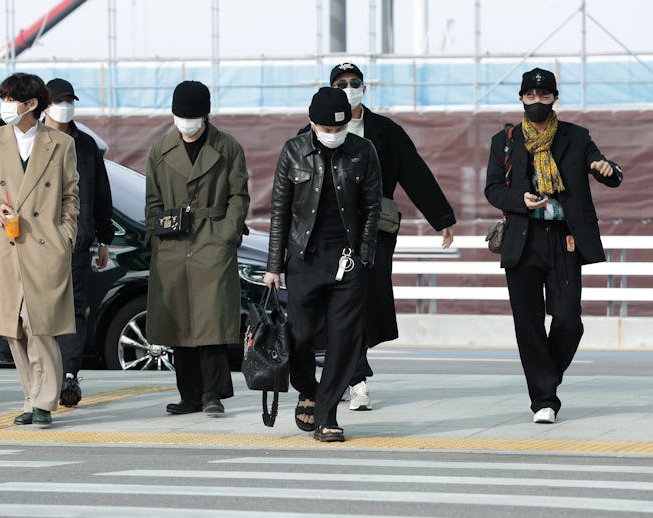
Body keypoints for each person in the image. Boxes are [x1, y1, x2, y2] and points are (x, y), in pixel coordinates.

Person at [301, 62, 456, 412]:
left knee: (363, 304)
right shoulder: (310, 132)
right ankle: (352, 378)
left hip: (373, 232)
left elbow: (415, 174)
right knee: (333, 306)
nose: (349, 87)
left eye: (355, 82)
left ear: (364, 88)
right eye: (341, 82)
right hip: (326, 235)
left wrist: (441, 218)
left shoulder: (385, 131)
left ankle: (350, 376)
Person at [485, 68, 622, 424]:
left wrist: (606, 168)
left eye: (544, 96)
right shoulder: (505, 140)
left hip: (565, 239)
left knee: (568, 320)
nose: (537, 102)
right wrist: (520, 199)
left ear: (555, 98)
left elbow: (609, 172)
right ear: (520, 99)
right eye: (530, 97)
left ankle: (546, 377)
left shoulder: (577, 137)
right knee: (527, 323)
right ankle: (544, 399)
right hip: (523, 239)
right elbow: (493, 189)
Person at [264, 87, 382, 442]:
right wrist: (273, 266)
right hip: (304, 259)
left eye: (340, 128)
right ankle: (309, 390)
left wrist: (363, 255)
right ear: (312, 123)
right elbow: (279, 212)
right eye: (326, 129)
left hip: (348, 262)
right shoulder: (293, 151)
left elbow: (373, 207)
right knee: (299, 337)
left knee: (345, 341)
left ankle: (327, 414)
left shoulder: (364, 151)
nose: (333, 135)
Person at [0, 72, 79, 426]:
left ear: (31, 104)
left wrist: (66, 236)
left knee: (40, 325)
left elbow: (70, 196)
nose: (5, 106)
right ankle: (31, 396)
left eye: (10, 99)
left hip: (45, 244)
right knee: (13, 327)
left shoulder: (60, 144)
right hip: (7, 244)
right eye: (3, 98)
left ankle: (45, 401)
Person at [145, 80, 249, 417]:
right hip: (173, 243)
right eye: (180, 115)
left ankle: (212, 393)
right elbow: (152, 201)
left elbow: (238, 195)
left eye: (192, 116)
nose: (186, 122)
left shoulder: (228, 147)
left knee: (211, 322)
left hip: (212, 239)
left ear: (204, 116)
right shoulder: (160, 149)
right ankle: (189, 394)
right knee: (179, 324)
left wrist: (227, 233)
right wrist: (156, 235)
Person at [44, 78, 115, 407]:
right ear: (44, 105)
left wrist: (104, 237)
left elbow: (101, 194)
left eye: (70, 100)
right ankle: (45, 371)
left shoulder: (85, 145)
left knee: (73, 309)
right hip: (38, 242)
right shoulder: (33, 141)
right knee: (39, 309)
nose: (66, 106)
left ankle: (69, 375)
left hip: (76, 240)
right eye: (60, 100)